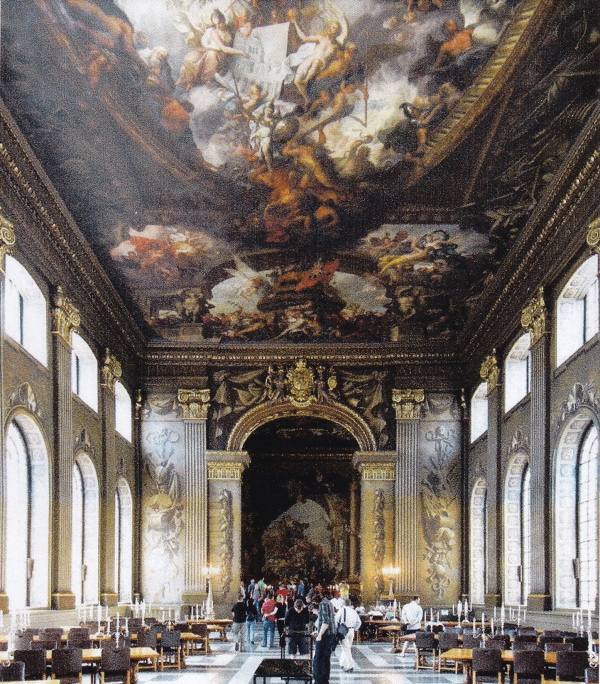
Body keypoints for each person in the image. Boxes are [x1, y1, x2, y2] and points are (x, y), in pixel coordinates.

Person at [312, 596, 337, 684]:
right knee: (326, 658)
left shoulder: (323, 604)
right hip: (330, 636)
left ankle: (319, 680)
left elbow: (325, 622)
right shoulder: (329, 603)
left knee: (318, 659)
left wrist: (319, 635)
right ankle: (324, 679)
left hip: (325, 636)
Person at [335, 598, 362, 672]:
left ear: (343, 603)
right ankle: (342, 663)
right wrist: (354, 629)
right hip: (352, 631)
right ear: (350, 604)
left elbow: (336, 620)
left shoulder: (341, 610)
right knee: (347, 648)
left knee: (346, 649)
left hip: (344, 631)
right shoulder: (353, 611)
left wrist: (336, 629)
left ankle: (350, 666)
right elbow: (359, 622)